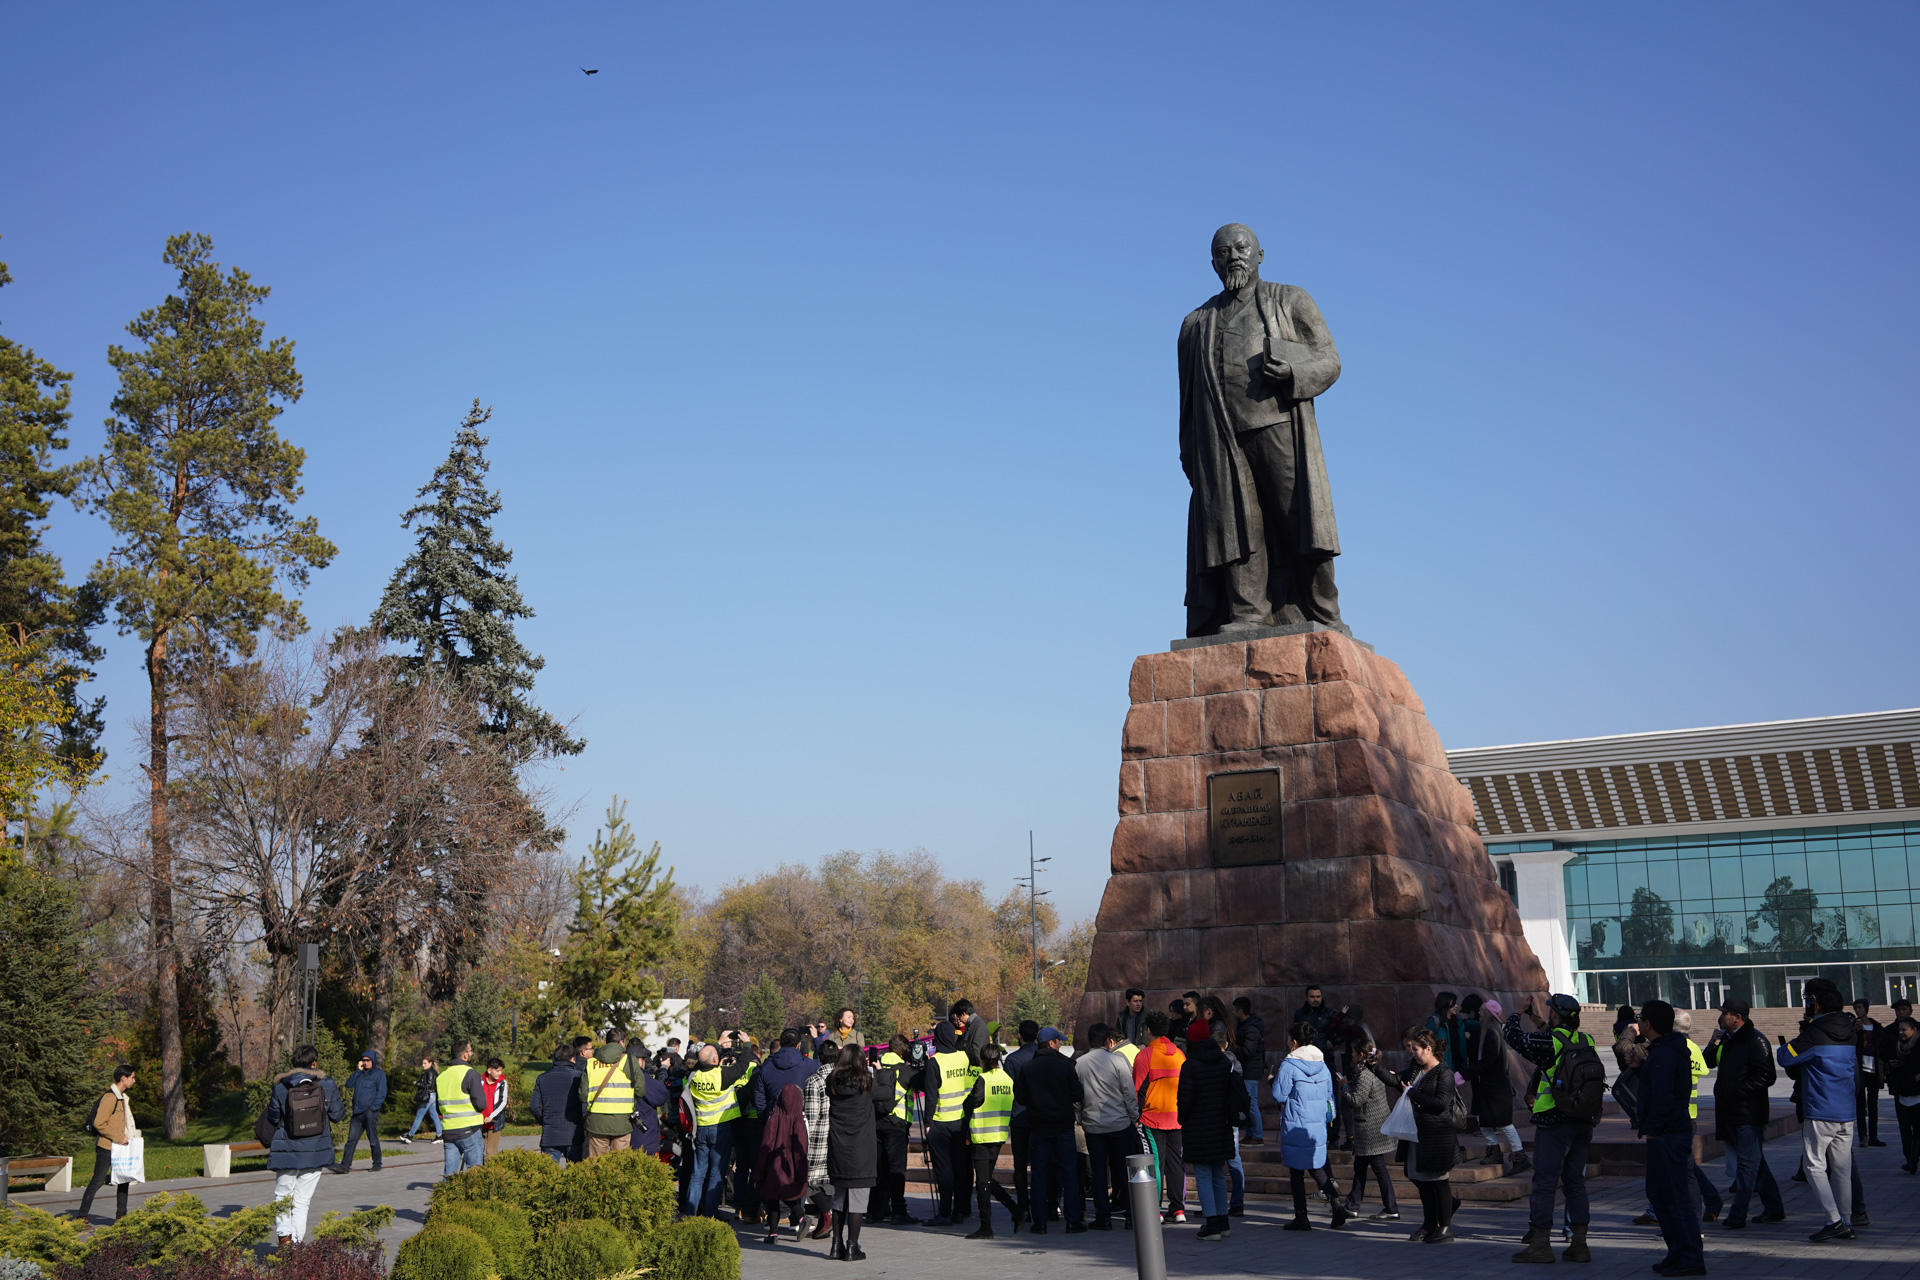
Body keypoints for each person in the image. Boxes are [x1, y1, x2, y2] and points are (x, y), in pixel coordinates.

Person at [1177, 222, 1345, 635]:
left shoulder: (1290, 300)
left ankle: (1324, 613)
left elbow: (1329, 359)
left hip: (1279, 428)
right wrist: (1190, 453)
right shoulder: (1196, 324)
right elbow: (1187, 401)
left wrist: (1292, 371)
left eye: (1241, 247)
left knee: (1299, 522)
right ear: (1213, 262)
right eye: (1223, 251)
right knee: (1236, 528)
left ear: (1260, 254)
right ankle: (1248, 612)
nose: (1233, 255)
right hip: (1222, 438)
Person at [1507, 993, 1598, 1264]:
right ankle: (1579, 1244)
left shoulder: (1551, 1042)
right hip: (1583, 1120)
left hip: (1554, 1120)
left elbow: (1512, 1037)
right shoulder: (1586, 1040)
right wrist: (1537, 1021)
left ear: (1555, 1015)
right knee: (1575, 1182)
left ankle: (1540, 1245)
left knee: (1545, 1183)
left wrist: (1516, 1014)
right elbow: (1557, 1040)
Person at [1779, 977, 1859, 1242]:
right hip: (1847, 1110)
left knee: (1813, 1165)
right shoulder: (1850, 1029)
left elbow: (1785, 1056)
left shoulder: (1814, 1033)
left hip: (1821, 1109)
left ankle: (1833, 1219)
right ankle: (1847, 1220)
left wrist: (1799, 1034)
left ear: (1815, 1003)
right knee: (1842, 1169)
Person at [1703, 997, 1783, 1228]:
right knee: (1755, 1162)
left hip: (1748, 1112)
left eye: (1725, 1012)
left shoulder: (1755, 1040)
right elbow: (1708, 1062)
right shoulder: (1728, 1039)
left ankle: (1738, 1214)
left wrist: (1738, 1092)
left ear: (1737, 1017)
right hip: (1731, 1112)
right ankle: (1775, 1208)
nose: (1720, 1016)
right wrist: (1713, 1043)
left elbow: (1767, 1076)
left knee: (1747, 1166)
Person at [265, 1045, 347, 1247]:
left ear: (293, 1064)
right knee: (302, 1201)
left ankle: (284, 1238)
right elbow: (338, 1115)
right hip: (315, 1150)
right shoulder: (327, 1084)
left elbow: (273, 1117)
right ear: (314, 1063)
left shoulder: (281, 1086)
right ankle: (297, 1245)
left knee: (283, 1195)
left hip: (287, 1151)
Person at [1271, 1020, 1347, 1231]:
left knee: (1296, 1171)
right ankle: (1336, 1205)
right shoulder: (1322, 1065)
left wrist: (1272, 1080)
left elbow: (1279, 1094)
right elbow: (1328, 1095)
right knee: (1316, 1167)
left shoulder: (1289, 1064)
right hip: (1316, 1124)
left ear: (1294, 1042)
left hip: (1296, 1123)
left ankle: (1301, 1216)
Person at [1178, 1023, 1247, 1241]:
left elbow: (1186, 1099)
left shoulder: (1191, 1065)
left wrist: (1182, 1117)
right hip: (1222, 1125)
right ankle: (1223, 1220)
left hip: (1198, 1127)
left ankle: (1212, 1224)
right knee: (1218, 1173)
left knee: (1203, 1175)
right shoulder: (1223, 1061)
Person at [825, 1044, 894, 1261]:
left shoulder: (832, 1083)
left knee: (838, 1198)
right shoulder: (866, 1083)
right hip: (861, 1149)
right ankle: (852, 1246)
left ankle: (836, 1245)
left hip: (838, 1146)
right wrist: (880, 1070)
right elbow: (887, 1093)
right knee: (857, 1200)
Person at [1017, 1026, 1085, 1235]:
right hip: (1063, 1126)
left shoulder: (1028, 1068)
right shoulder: (1066, 1066)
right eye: (1059, 1041)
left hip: (1038, 1127)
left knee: (1038, 1174)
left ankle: (1040, 1222)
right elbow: (1077, 1094)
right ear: (1052, 1043)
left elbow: (1020, 1097)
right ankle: (1073, 1221)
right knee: (1069, 1173)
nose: (1061, 1045)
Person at [1076, 1022, 1141, 1230]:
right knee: (1123, 1170)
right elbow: (1129, 1092)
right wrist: (1134, 1115)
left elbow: (1076, 1097)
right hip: (1120, 1123)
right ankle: (1131, 1215)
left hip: (1094, 1126)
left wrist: (1080, 1118)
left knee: (1099, 1172)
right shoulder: (1117, 1061)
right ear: (1108, 1040)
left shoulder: (1080, 1063)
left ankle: (1103, 1217)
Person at [1401, 1026, 1460, 1245]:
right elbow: (1396, 1081)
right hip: (1419, 1135)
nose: (1412, 1053)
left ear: (1428, 1049)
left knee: (1439, 1182)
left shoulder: (1443, 1073)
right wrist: (1374, 1066)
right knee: (1422, 1180)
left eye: (1415, 1049)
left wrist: (1413, 1092)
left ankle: (1444, 1227)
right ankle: (1429, 1223)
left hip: (1438, 1137)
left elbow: (1441, 1104)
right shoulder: (1417, 1070)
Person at [960, 1044, 1023, 1237]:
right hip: (999, 1134)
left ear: (984, 1060)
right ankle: (1015, 1209)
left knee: (982, 1183)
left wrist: (966, 1102)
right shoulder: (1007, 1079)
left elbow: (972, 1101)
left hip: (982, 1137)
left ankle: (986, 1226)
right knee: (986, 1179)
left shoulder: (983, 1079)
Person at [923, 1015, 980, 1226]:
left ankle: (944, 1212)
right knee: (961, 1167)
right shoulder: (963, 1057)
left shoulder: (934, 1062)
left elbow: (931, 1097)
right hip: (960, 1121)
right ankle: (961, 1210)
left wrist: (928, 1123)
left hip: (940, 1122)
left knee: (944, 1170)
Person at [685, 1039, 753, 1216]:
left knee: (697, 1173)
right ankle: (709, 1213)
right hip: (720, 1129)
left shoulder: (694, 1076)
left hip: (700, 1128)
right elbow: (743, 1065)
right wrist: (746, 1044)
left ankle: (691, 1211)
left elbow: (703, 1060)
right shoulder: (721, 1075)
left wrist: (717, 1045)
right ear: (716, 1061)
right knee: (716, 1173)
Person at [1133, 1010, 1188, 1223]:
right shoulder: (1178, 1054)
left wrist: (1135, 1116)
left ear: (1148, 1030)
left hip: (1152, 1118)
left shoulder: (1145, 1055)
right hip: (1176, 1117)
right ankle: (1178, 1209)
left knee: (1154, 1163)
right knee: (1176, 1163)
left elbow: (1136, 1089)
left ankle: (1155, 1209)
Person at [1462, 997, 1526, 1174]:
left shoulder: (1492, 1035)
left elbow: (1486, 1063)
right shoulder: (1487, 1032)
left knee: (1504, 1123)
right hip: (1489, 1086)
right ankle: (1493, 1150)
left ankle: (1519, 1154)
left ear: (1489, 1015)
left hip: (1496, 1088)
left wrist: (1464, 1074)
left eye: (1483, 1011)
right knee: (1484, 1121)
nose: (1480, 1013)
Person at [1339, 1039, 1401, 1221]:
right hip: (1374, 1126)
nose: (1351, 1055)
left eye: (1353, 1052)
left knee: (1377, 1168)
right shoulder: (1373, 1070)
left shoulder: (1365, 1074)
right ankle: (1353, 1204)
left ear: (1361, 1055)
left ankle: (1390, 1207)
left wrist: (1344, 1086)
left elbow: (1357, 1100)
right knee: (1362, 1167)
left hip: (1369, 1129)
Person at [73, 1064, 137, 1224]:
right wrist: (118, 1137)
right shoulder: (110, 1097)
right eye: (132, 1077)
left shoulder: (122, 1097)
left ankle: (121, 1218)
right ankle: (81, 1217)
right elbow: (99, 1123)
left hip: (120, 1148)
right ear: (124, 1078)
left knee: (124, 1181)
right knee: (97, 1181)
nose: (134, 1081)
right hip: (107, 1147)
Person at [755, 1082, 810, 1244]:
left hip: (773, 1164)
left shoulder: (774, 1118)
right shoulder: (799, 1120)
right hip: (791, 1165)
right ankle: (801, 1217)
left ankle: (773, 1233)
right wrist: (802, 1171)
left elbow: (767, 1143)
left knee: (772, 1198)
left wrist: (760, 1168)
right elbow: (802, 1146)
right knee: (788, 1194)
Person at [871, 1034, 916, 1223]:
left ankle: (877, 1210)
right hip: (897, 1123)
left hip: (877, 1122)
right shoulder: (905, 1071)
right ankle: (899, 1210)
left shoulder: (878, 1066)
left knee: (879, 1168)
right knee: (896, 1168)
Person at [1004, 1019, 1040, 1224]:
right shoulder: (1039, 1056)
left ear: (1020, 1036)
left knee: (1019, 1166)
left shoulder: (1013, 1060)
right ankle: (1040, 1205)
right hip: (1037, 1117)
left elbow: (1010, 1091)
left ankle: (1023, 1207)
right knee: (1038, 1164)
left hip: (1018, 1117)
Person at [581, 1035, 638, 1160]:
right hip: (622, 1121)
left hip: (597, 1122)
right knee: (619, 1164)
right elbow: (640, 1090)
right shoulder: (629, 1061)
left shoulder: (591, 1063)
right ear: (622, 1042)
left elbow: (583, 1096)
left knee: (595, 1164)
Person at [329, 1050, 387, 1173]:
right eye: (363, 1060)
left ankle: (377, 1163)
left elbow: (382, 1092)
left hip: (370, 1112)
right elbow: (349, 1084)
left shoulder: (379, 1074)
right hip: (357, 1113)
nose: (365, 1063)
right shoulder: (359, 1074)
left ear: (373, 1061)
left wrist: (373, 1108)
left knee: (373, 1139)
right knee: (351, 1140)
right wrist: (357, 1071)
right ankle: (345, 1166)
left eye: (368, 1060)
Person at [435, 1041, 487, 1175]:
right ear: (464, 1055)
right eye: (470, 1051)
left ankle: (447, 1195)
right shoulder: (470, 1073)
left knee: (449, 1173)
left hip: (449, 1130)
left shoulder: (441, 1077)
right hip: (469, 1129)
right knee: (475, 1173)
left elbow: (438, 1106)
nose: (471, 1053)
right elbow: (481, 1104)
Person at [531, 1042, 586, 1165]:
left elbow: (534, 1106)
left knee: (549, 1176)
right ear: (573, 1059)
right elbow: (584, 1103)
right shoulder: (578, 1077)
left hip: (550, 1134)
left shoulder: (542, 1078)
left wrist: (545, 1120)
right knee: (576, 1176)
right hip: (574, 1134)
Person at [1230, 997, 1268, 1145]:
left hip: (1251, 1070)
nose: (1233, 1012)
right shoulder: (1245, 1025)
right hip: (1249, 1069)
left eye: (1234, 1009)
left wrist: (1234, 1047)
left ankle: (1257, 1135)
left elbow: (1248, 1051)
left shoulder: (1250, 1028)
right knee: (1248, 1102)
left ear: (1240, 1010)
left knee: (1251, 1103)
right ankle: (1252, 1133)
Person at [1886, 1016, 1919, 1174]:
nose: (1901, 1033)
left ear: (1914, 1030)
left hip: (1918, 1094)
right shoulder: (1897, 1046)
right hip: (1902, 1094)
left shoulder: (1918, 1046)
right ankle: (1910, 1160)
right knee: (1906, 1131)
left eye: (1904, 1030)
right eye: (1899, 1030)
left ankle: (1913, 1162)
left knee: (1918, 1132)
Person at [1854, 999, 1885, 1147]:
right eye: (1856, 1008)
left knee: (1873, 1104)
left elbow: (1882, 1046)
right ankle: (1863, 1137)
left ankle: (1874, 1136)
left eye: (1860, 1007)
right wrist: (1855, 1031)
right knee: (1861, 1105)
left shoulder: (1876, 1026)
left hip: (1874, 1069)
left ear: (1866, 1008)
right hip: (1860, 1070)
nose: (1858, 1011)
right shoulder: (1854, 1026)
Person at [399, 1055, 441, 1143]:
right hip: (432, 1095)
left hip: (428, 1096)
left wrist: (417, 1083)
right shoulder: (433, 1072)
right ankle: (439, 1135)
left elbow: (428, 1086)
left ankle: (410, 1136)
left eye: (425, 1063)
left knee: (419, 1115)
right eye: (422, 1063)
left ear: (430, 1063)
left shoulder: (429, 1072)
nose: (423, 1065)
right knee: (434, 1115)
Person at [479, 1057, 511, 1161]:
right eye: (497, 1071)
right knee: (477, 1150)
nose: (500, 1073)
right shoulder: (480, 1081)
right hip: (480, 1122)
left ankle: (490, 1174)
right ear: (489, 1070)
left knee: (490, 1152)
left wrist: (491, 1116)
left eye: (501, 1070)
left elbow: (503, 1103)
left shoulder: (502, 1083)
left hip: (494, 1122)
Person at [1426, 991, 1465, 1074]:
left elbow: (1477, 1025)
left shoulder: (1458, 1020)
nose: (1456, 1006)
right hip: (1443, 1068)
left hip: (1458, 1066)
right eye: (1453, 1004)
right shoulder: (1434, 1021)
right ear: (1445, 1004)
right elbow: (1424, 1041)